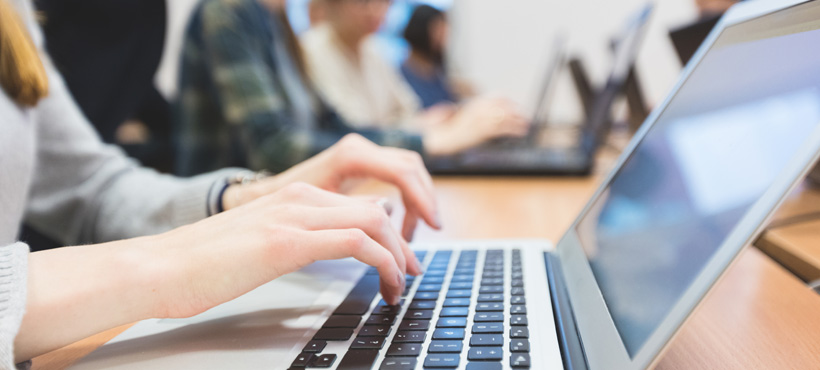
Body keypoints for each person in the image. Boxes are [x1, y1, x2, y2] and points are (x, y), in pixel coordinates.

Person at [0, 0, 441, 366]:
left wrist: (245, 197)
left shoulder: (14, 16)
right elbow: (274, 142)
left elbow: (90, 186)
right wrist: (164, 262)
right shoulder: (230, 11)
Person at [176, 0, 528, 176]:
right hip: (226, 224)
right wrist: (431, 141)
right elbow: (273, 149)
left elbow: (332, 125)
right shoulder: (227, 11)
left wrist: (423, 141)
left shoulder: (278, 23)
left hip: (278, 214)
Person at [400, 4, 458, 109]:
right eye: (438, 29)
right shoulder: (401, 75)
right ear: (421, 29)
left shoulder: (437, 71)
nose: (443, 36)